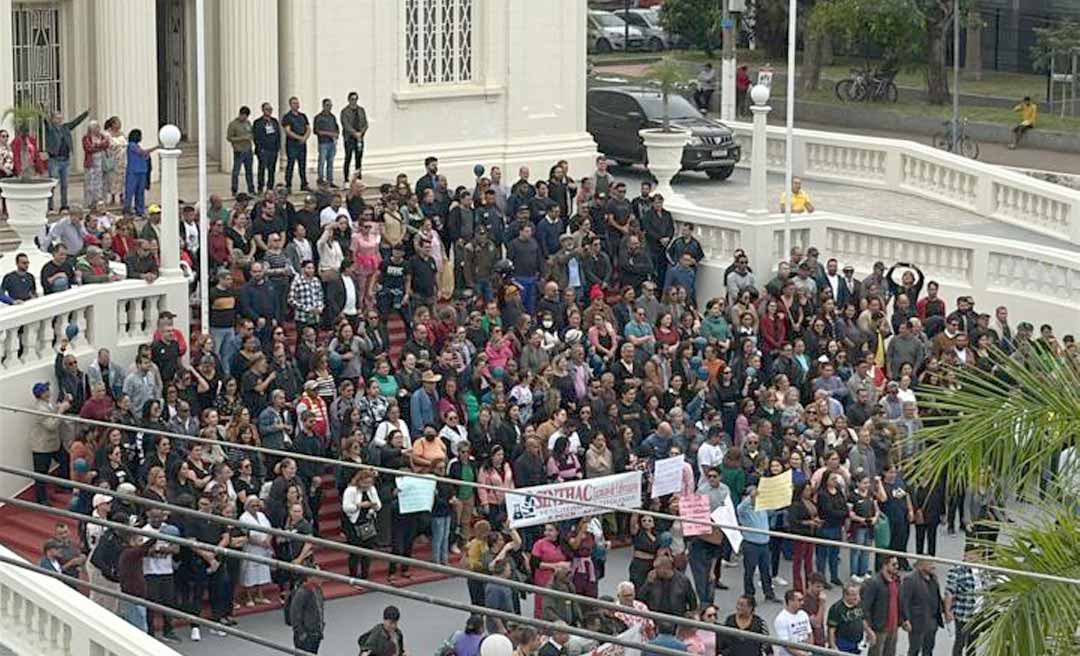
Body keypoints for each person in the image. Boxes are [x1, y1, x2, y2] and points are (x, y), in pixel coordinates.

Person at [45, 107, 90, 210]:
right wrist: (43, 108)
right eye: (57, 118)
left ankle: (64, 205)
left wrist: (85, 113)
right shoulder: (51, 128)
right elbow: (45, 120)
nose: (60, 120)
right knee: (52, 184)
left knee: (65, 185)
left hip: (65, 160)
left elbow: (76, 122)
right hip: (55, 160)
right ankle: (50, 206)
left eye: (61, 118)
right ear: (53, 119)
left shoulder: (66, 127)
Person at [899, 560, 944, 656]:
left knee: (928, 649)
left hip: (932, 621)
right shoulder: (910, 579)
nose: (933, 566)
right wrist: (905, 619)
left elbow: (937, 596)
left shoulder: (933, 578)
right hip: (917, 622)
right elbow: (904, 601)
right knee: (914, 649)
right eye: (930, 564)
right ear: (920, 566)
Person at [862, 556, 901, 656]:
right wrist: (869, 630)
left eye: (897, 564)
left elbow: (899, 602)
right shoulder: (874, 583)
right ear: (885, 565)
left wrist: (903, 619)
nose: (897, 567)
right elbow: (865, 608)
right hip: (879, 629)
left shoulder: (896, 580)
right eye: (893, 564)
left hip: (893, 627)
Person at [290, 571, 326, 653]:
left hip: (316, 633)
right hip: (306, 635)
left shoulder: (318, 590)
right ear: (309, 578)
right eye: (317, 575)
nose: (321, 577)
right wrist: (301, 633)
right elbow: (295, 614)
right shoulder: (301, 592)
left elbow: (319, 609)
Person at [828, 582, 868, 654]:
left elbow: (862, 619)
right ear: (846, 595)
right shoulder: (836, 609)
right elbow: (831, 630)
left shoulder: (859, 604)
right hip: (843, 645)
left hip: (857, 644)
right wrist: (833, 647)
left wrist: (869, 632)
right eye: (854, 595)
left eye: (858, 594)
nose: (857, 597)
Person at [124, 129, 157, 216]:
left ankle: (140, 209)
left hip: (142, 171)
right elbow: (142, 152)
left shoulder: (138, 146)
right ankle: (127, 209)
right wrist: (155, 148)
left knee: (140, 192)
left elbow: (144, 155)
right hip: (133, 171)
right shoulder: (131, 145)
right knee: (130, 191)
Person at [282, 96, 311, 192]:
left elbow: (308, 128)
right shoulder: (287, 117)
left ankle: (304, 183)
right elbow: (288, 131)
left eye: (297, 103)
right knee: (290, 164)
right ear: (290, 105)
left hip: (302, 144)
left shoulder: (303, 116)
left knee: (302, 164)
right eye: (294, 103)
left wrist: (305, 137)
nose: (296, 105)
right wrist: (299, 138)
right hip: (292, 144)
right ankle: (288, 185)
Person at [773, 589, 813, 656]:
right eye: (799, 600)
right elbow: (786, 644)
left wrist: (809, 650)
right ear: (790, 601)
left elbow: (809, 634)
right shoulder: (781, 619)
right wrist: (801, 654)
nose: (802, 602)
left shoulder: (803, 614)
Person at [253, 102, 282, 193]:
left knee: (271, 170)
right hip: (263, 149)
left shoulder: (274, 121)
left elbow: (278, 134)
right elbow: (256, 136)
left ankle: (270, 187)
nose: (269, 111)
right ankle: (260, 187)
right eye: (267, 109)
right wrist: (259, 148)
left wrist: (278, 147)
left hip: (273, 149)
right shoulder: (258, 122)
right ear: (263, 110)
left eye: (270, 109)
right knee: (261, 169)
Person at [227, 105, 255, 196]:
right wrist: (242, 138)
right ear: (240, 114)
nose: (245, 118)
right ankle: (234, 189)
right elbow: (229, 138)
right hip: (238, 151)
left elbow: (251, 133)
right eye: (244, 115)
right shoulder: (233, 124)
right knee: (236, 171)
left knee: (249, 171)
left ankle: (251, 189)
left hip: (248, 150)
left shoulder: (248, 123)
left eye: (246, 116)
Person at [341, 91, 368, 181]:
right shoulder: (345, 111)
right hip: (349, 138)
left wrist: (361, 132)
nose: (354, 101)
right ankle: (346, 178)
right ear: (349, 100)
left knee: (359, 158)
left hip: (359, 138)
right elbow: (345, 124)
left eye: (356, 99)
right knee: (348, 158)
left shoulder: (361, 110)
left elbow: (365, 123)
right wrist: (354, 133)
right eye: (352, 99)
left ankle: (358, 177)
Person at [313, 97, 339, 187]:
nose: (329, 107)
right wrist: (329, 134)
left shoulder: (332, 117)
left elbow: (336, 128)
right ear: (323, 106)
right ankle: (320, 179)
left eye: (330, 105)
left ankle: (330, 180)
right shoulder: (318, 117)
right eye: (327, 105)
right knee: (322, 161)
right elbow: (316, 131)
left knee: (330, 162)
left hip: (332, 142)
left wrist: (336, 135)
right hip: (323, 143)